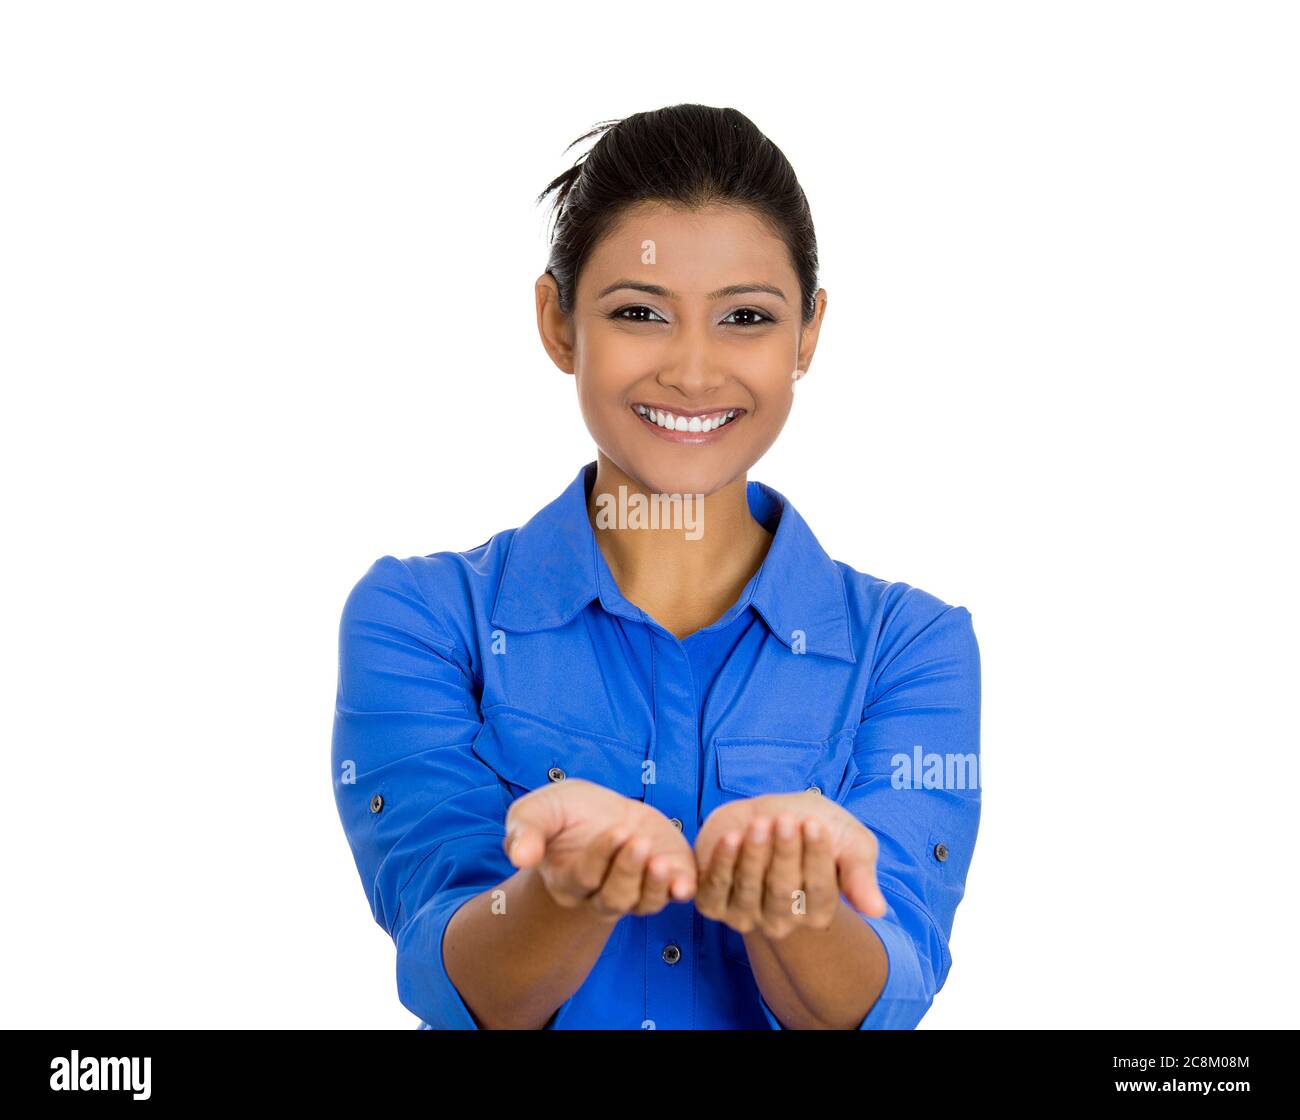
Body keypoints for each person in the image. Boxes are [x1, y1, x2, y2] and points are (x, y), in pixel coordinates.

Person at [331, 103, 982, 1030]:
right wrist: (564, 891)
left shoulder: (913, 646)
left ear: (808, 335)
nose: (692, 370)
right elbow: (453, 972)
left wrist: (795, 903)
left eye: (746, 318)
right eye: (640, 313)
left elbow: (887, 994)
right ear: (558, 323)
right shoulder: (422, 619)